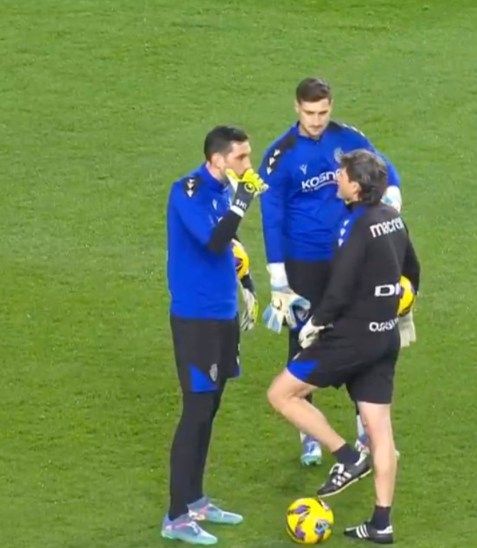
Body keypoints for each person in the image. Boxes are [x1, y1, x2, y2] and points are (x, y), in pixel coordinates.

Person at [266, 149, 420, 544]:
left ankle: (348, 458)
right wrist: (395, 304)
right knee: (380, 429)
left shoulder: (357, 225)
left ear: (356, 185)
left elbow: (340, 287)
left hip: (351, 338)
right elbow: (413, 273)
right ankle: (381, 523)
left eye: (342, 173)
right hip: (385, 335)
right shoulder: (393, 219)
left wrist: (313, 326)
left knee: (282, 394)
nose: (336, 176)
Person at [258, 77, 405, 466]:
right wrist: (278, 278)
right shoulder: (281, 154)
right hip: (304, 261)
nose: (318, 120)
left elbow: (388, 174)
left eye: (323, 112)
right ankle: (309, 431)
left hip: (350, 254)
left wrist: (390, 210)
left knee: (355, 334)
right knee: (304, 340)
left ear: (331, 106)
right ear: (296, 108)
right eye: (310, 113)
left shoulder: (349, 138)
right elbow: (271, 217)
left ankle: (364, 426)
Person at [162, 125, 267, 545]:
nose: (248, 164)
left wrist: (248, 286)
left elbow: (232, 246)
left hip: (222, 315)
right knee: (196, 411)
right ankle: (175, 516)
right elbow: (212, 240)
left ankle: (196, 499)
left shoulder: (224, 190)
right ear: (217, 159)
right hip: (196, 319)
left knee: (213, 407)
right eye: (241, 157)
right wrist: (242, 203)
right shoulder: (186, 190)